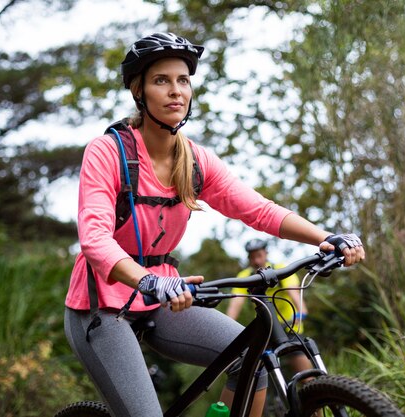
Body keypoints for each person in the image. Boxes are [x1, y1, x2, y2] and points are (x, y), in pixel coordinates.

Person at [63, 32, 365, 417]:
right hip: (102, 305)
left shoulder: (195, 161)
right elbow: (94, 239)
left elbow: (259, 210)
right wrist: (149, 280)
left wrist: (326, 237)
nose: (176, 91)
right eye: (161, 81)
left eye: (183, 81)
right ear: (139, 92)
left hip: (164, 298)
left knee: (250, 358)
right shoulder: (108, 152)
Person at [225, 238, 314, 376]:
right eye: (252, 257)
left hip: (290, 325)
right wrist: (227, 325)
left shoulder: (279, 270)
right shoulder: (245, 277)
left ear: (266, 254)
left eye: (259, 255)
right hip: (266, 329)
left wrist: (301, 313)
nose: (256, 261)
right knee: (258, 373)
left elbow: (295, 295)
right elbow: (236, 303)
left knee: (306, 374)